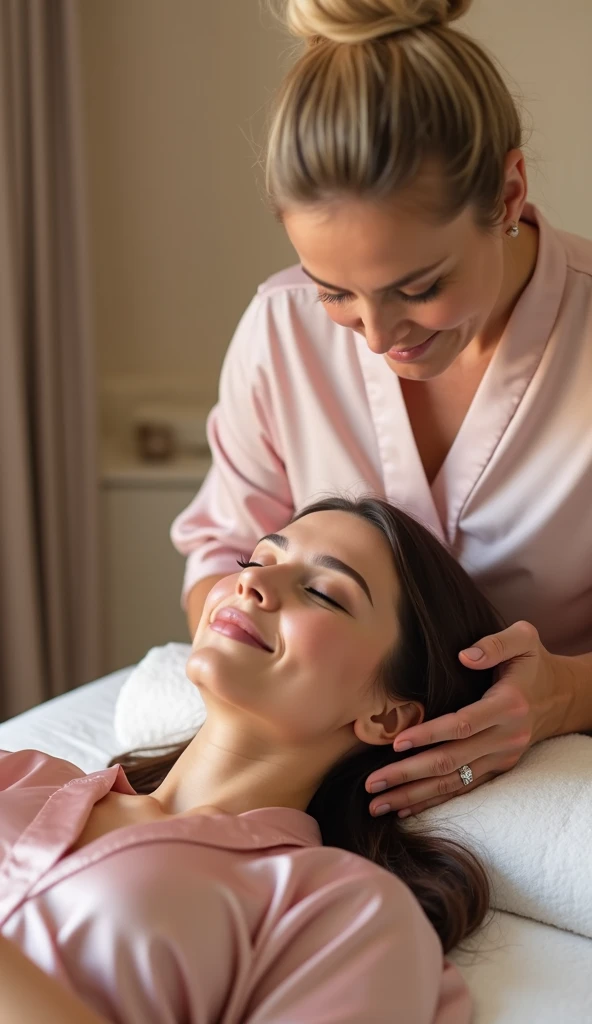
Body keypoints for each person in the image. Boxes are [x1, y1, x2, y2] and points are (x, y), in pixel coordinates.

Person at [171, 0, 592, 820]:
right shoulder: (280, 330)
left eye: (420, 288)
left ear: (508, 193)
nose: (375, 335)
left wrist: (567, 694)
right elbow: (220, 549)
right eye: (334, 291)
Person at [0, 496, 502, 1023]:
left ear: (389, 717)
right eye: (256, 561)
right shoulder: (23, 774)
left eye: (321, 593)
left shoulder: (343, 913)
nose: (252, 584)